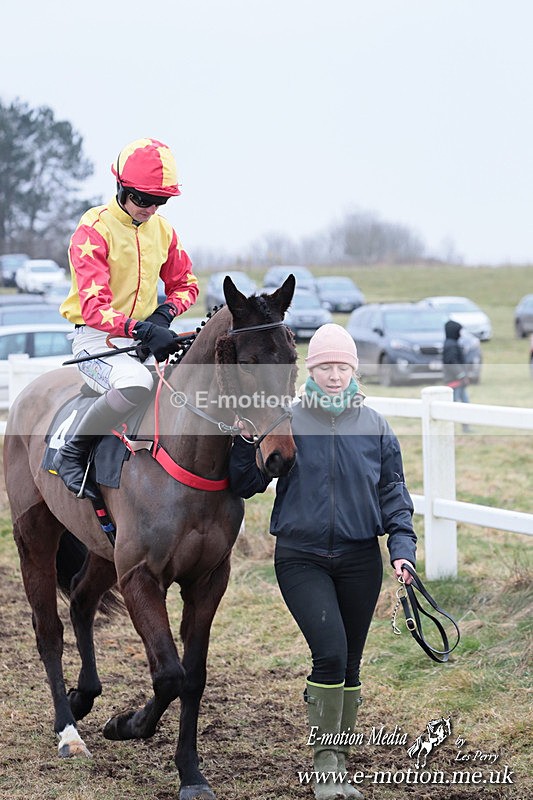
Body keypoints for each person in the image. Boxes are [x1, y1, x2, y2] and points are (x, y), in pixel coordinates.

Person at [229, 323, 417, 800]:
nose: (334, 375)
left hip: (359, 559)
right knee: (330, 652)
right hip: (301, 557)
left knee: (350, 666)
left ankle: (340, 763)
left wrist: (402, 553)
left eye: (342, 367)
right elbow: (246, 483)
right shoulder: (286, 418)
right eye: (325, 366)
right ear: (311, 370)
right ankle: (324, 769)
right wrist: (242, 443)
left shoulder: (375, 426)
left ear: (353, 371)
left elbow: (394, 495)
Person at [53, 137, 199, 500]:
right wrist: (142, 328)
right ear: (121, 187)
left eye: (160, 201)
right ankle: (73, 452)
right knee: (135, 384)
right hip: (96, 338)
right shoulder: (94, 228)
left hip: (143, 337)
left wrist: (165, 315)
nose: (151, 209)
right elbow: (94, 307)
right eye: (143, 200)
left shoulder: (163, 231)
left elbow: (187, 284)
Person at [442, 320, 471, 432]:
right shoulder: (451, 345)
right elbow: (452, 362)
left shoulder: (449, 343)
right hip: (455, 381)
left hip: (457, 380)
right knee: (455, 405)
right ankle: (451, 428)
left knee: (464, 404)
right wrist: (462, 375)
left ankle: (465, 426)